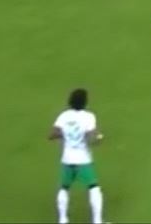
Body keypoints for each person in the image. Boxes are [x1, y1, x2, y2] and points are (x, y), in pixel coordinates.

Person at [49, 88, 105, 224]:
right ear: (85, 102)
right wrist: (99, 138)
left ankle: (63, 219)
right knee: (93, 187)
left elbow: (52, 135)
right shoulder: (88, 117)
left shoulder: (64, 116)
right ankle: (97, 221)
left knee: (64, 187)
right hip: (83, 159)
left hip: (67, 158)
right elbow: (91, 138)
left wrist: (66, 134)